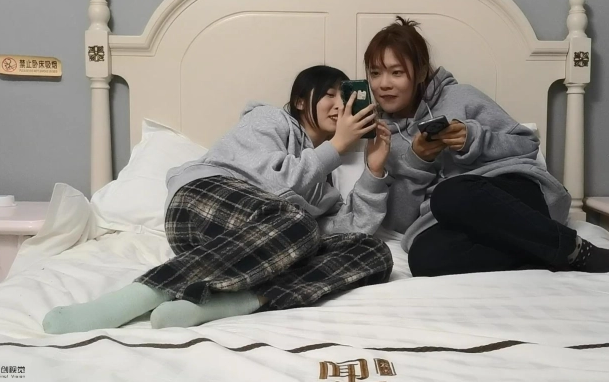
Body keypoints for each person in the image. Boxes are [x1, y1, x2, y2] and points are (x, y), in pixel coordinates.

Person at [43, 65, 394, 334]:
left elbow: (352, 228)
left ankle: (230, 302)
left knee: (373, 252)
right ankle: (132, 299)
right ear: (302, 100)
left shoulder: (324, 181)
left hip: (258, 243)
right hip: (201, 201)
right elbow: (273, 183)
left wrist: (374, 169)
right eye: (330, 95)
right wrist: (336, 147)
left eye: (346, 96)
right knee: (300, 224)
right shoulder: (269, 119)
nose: (340, 105)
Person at [363, 17, 609, 276]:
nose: (383, 84)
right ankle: (545, 254)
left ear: (420, 72)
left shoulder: (461, 97)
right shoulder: (382, 138)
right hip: (461, 221)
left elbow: (526, 145)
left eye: (396, 72)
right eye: (375, 73)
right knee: (422, 258)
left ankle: (577, 251)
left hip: (517, 197)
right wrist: (417, 162)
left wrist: (475, 139)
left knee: (450, 193)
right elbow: (402, 222)